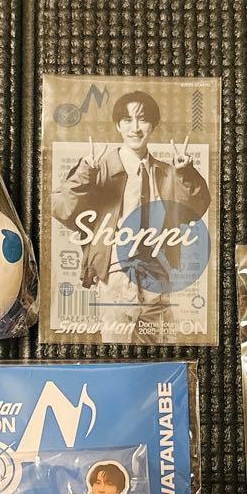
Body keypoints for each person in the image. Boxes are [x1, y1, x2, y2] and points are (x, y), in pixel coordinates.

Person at [51, 90, 211, 342]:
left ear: (153, 125)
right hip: (116, 275)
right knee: (116, 351)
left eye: (142, 119)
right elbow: (63, 209)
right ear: (118, 125)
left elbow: (194, 210)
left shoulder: (168, 172)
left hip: (157, 276)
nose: (135, 128)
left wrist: (186, 173)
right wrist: (84, 172)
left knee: (162, 352)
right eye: (127, 120)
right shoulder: (98, 167)